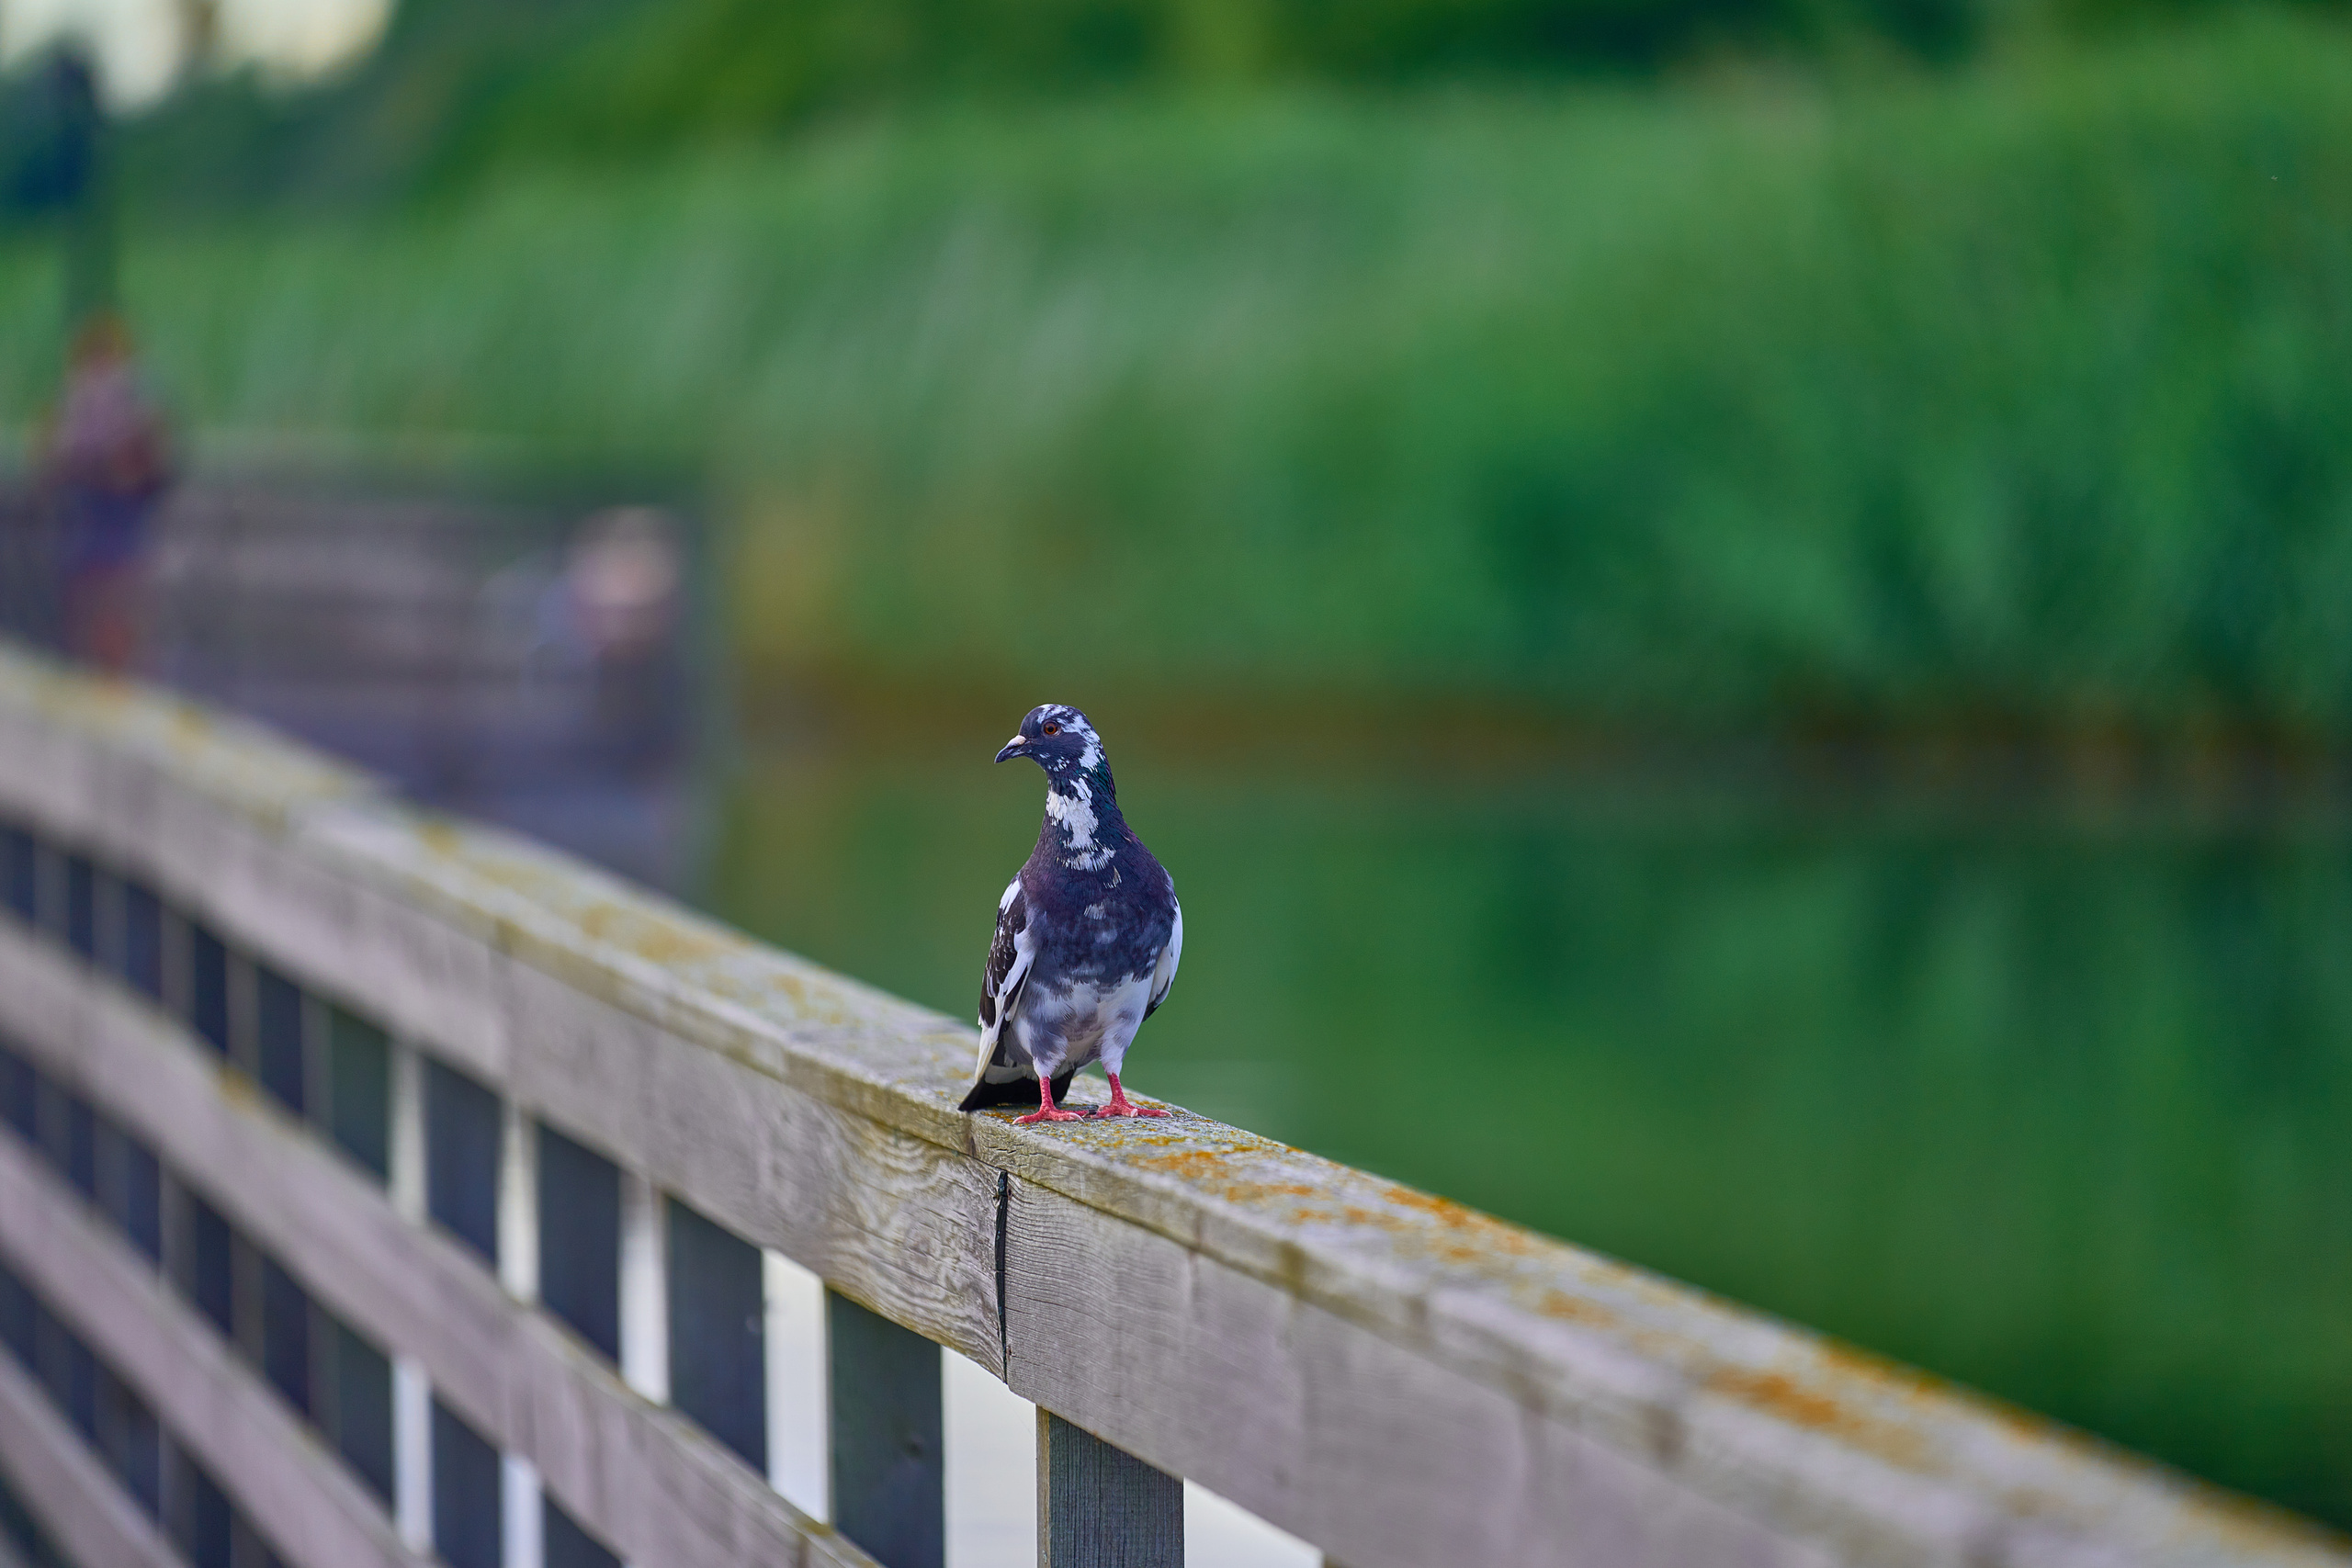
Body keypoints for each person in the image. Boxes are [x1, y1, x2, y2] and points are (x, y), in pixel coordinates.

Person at [38, 313, 172, 674]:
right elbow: (53, 462)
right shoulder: (73, 408)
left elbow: (150, 465)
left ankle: (121, 669)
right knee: (91, 611)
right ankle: (95, 667)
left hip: (123, 543)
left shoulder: (137, 406)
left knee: (120, 605)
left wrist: (124, 462)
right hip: (87, 542)